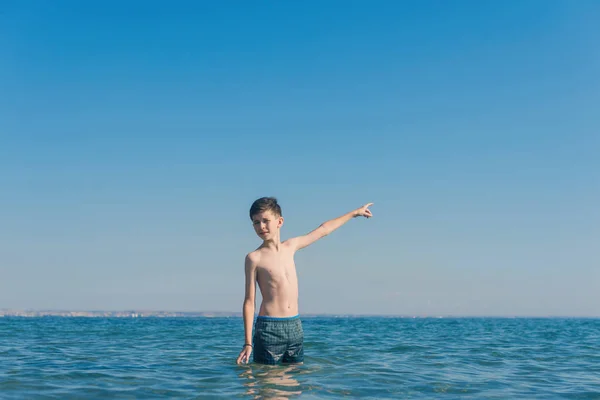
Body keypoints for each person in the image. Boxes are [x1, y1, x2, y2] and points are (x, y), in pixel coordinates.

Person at [236, 197, 373, 365]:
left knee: (293, 385)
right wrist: (248, 342)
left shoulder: (291, 246)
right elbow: (249, 302)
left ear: (279, 222)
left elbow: (323, 230)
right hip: (269, 328)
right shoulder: (254, 258)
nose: (261, 226)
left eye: (265, 221)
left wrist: (354, 213)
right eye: (256, 223)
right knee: (268, 385)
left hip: (295, 327)